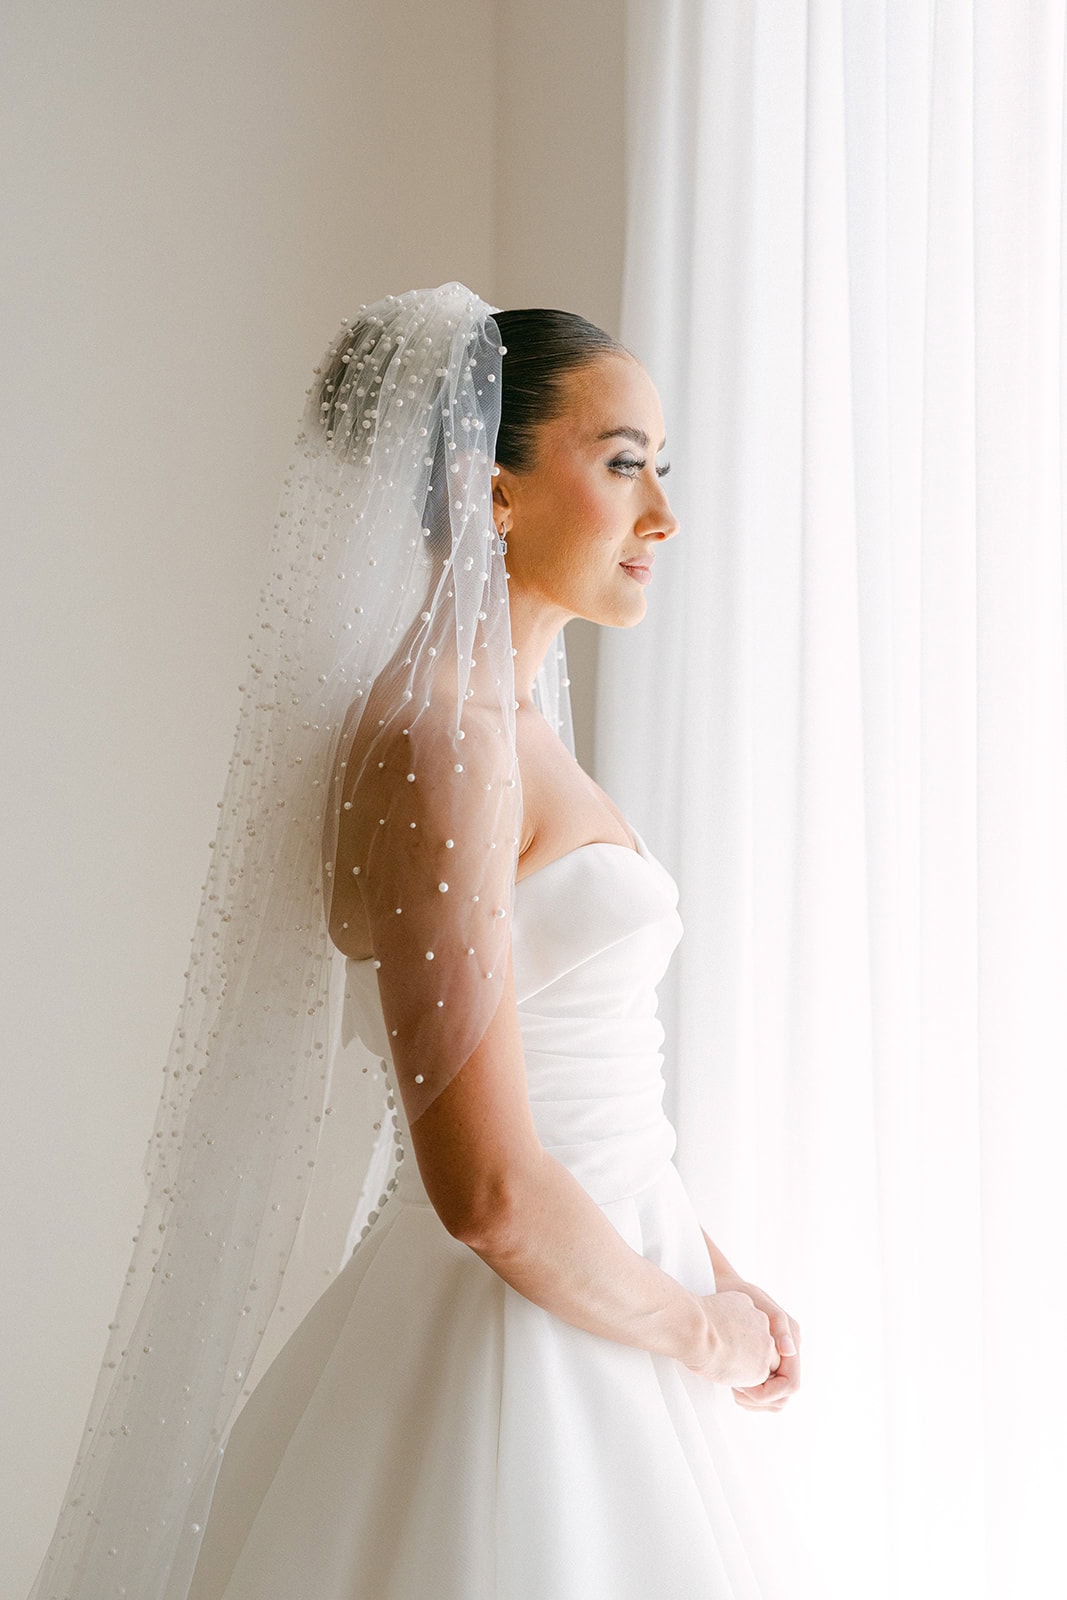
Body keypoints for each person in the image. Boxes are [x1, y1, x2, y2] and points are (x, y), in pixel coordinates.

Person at [26, 283, 802, 1600]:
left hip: (610, 1287)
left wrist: (718, 1276)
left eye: (663, 471)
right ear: (494, 489)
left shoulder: (510, 725)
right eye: (623, 467)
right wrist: (699, 1336)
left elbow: (585, 1094)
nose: (662, 514)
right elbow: (488, 1189)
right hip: (524, 1336)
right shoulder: (448, 741)